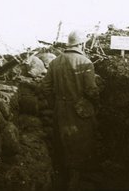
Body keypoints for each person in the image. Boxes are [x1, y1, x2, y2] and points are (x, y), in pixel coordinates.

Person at [41, 30, 99, 191]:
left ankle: (65, 175)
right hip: (81, 109)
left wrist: (55, 103)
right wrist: (96, 103)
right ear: (80, 44)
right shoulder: (85, 62)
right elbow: (91, 90)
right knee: (80, 141)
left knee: (63, 140)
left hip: (61, 108)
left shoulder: (55, 63)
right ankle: (75, 178)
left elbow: (45, 86)